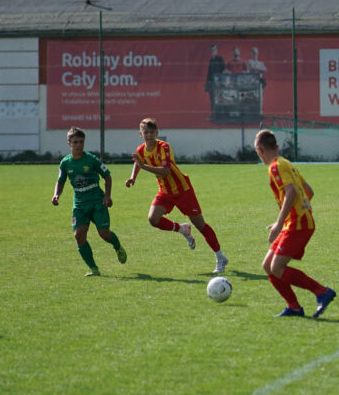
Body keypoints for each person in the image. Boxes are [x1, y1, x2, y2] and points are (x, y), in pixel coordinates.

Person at [125, 118, 228, 274]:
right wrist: (133, 177)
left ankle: (220, 257)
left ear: (157, 133)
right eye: (146, 132)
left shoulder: (164, 147)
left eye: (152, 132)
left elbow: (166, 170)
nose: (149, 135)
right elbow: (138, 162)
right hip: (165, 191)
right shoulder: (141, 149)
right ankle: (182, 229)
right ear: (141, 134)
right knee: (153, 219)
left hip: (182, 190)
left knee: (200, 225)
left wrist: (143, 166)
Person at [254, 129, 336, 318]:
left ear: (260, 150)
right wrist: (290, 216)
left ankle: (322, 292)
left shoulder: (275, 167)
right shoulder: (287, 163)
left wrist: (279, 222)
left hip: (298, 224)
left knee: (277, 267)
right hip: (295, 222)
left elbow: (292, 192)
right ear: (276, 146)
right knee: (268, 266)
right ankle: (294, 307)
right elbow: (309, 191)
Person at [52, 127, 127, 276]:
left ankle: (117, 246)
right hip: (80, 205)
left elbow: (107, 176)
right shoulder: (65, 163)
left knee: (104, 234)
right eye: (75, 142)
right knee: (79, 236)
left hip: (97, 203)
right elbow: (60, 181)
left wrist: (107, 196)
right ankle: (94, 269)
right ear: (69, 144)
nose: (78, 145)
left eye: (81, 141)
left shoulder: (91, 160)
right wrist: (56, 195)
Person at [204, 44, 225, 121]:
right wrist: (208, 81)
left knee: (219, 99)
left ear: (217, 50)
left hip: (219, 83)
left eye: (214, 50)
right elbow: (209, 72)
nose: (213, 51)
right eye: (212, 50)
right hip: (212, 83)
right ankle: (214, 115)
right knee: (212, 100)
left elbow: (223, 70)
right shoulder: (211, 60)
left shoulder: (220, 59)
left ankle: (221, 116)